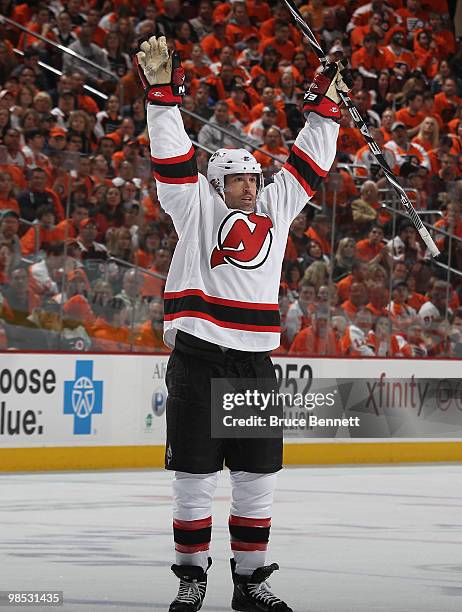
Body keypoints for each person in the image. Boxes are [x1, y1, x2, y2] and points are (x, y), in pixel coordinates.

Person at [135, 35, 351, 611]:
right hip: (199, 357)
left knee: (259, 475)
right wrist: (162, 97)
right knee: (194, 476)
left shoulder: (275, 209)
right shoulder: (196, 206)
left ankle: (251, 583)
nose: (253, 189)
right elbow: (171, 157)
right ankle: (193, 576)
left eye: (256, 180)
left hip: (254, 363)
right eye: (241, 181)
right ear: (218, 184)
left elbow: (308, 164)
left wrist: (326, 107)